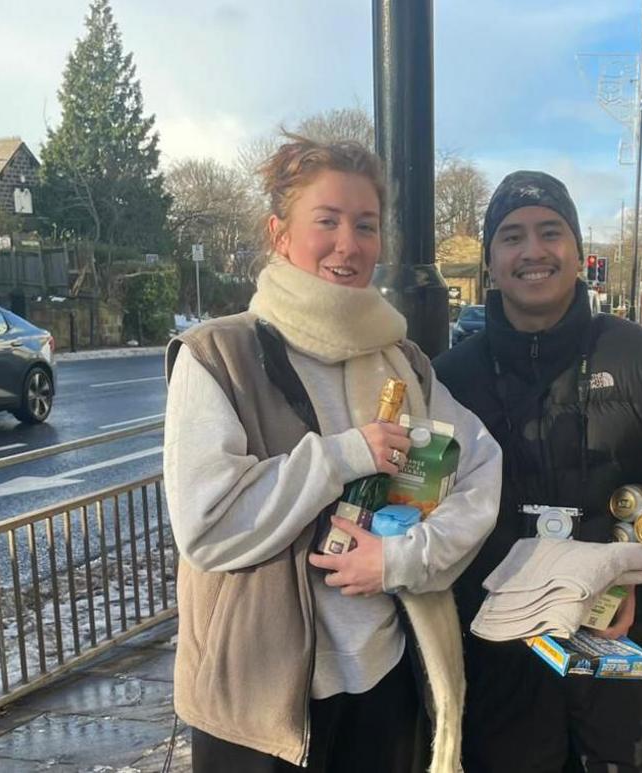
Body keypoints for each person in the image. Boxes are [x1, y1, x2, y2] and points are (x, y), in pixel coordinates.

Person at [163, 135, 502, 773]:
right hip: (261, 710)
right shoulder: (219, 357)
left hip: (386, 679)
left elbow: (481, 465)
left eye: (365, 225)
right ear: (279, 232)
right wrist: (344, 456)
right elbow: (206, 526)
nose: (349, 244)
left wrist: (409, 557)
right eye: (328, 221)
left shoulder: (402, 360)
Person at [435, 171, 642, 773]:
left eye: (549, 231)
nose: (533, 251)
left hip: (621, 660)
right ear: (490, 261)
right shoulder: (448, 380)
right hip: (494, 667)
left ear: (579, 251)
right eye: (511, 237)